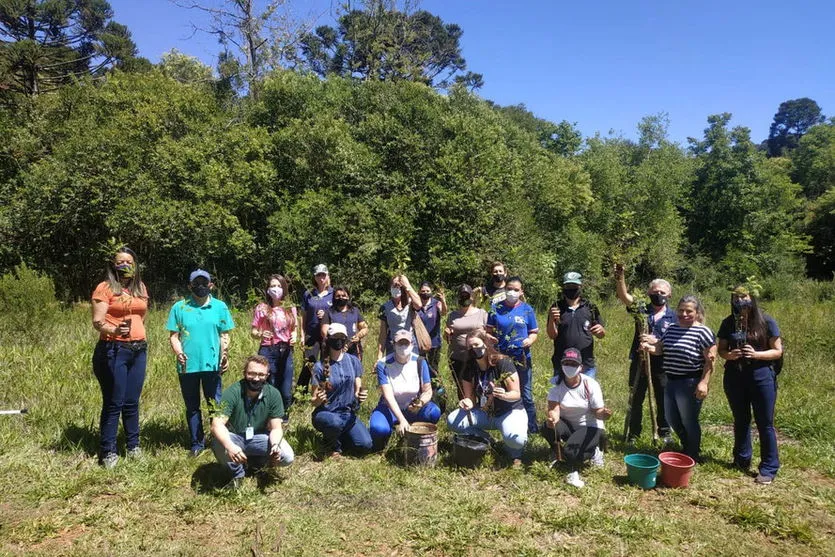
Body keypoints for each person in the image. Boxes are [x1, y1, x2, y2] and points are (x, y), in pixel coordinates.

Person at [90, 247, 149, 469]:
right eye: (120, 261)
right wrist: (114, 331)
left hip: (138, 349)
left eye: (129, 261)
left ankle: (133, 446)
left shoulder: (140, 288)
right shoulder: (104, 288)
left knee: (132, 401)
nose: (125, 265)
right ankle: (108, 451)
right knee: (114, 401)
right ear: (113, 265)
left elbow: (142, 316)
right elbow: (98, 321)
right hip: (113, 349)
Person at [718, 286, 783, 485]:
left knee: (765, 423)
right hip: (735, 377)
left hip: (761, 376)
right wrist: (730, 355)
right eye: (736, 297)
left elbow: (777, 351)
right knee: (740, 419)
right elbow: (721, 349)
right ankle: (741, 459)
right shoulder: (729, 323)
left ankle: (769, 467)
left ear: (752, 298)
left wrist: (757, 355)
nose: (740, 300)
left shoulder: (765, 321)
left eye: (743, 296)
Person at [166, 269, 235, 457]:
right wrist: (179, 352)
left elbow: (224, 334)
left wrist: (224, 354)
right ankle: (197, 443)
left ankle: (218, 441)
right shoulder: (179, 308)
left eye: (204, 283)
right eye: (196, 283)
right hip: (187, 366)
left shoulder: (220, 307)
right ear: (190, 286)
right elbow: (174, 336)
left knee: (215, 404)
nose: (201, 287)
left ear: (211, 285)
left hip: (212, 365)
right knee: (192, 406)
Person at [641, 295, 716, 461]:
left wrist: (704, 383)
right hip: (671, 381)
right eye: (681, 310)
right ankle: (686, 446)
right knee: (671, 418)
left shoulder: (703, 332)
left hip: (690, 382)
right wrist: (649, 348)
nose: (684, 314)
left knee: (688, 419)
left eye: (689, 311)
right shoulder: (672, 328)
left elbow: (710, 360)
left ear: (697, 313)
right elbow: (661, 349)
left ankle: (692, 453)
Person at [211, 355, 294, 490]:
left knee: (287, 456)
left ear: (267, 376)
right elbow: (216, 425)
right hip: (235, 436)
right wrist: (230, 446)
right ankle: (237, 474)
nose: (256, 378)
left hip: (259, 437)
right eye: (252, 373)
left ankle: (257, 464)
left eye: (261, 374)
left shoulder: (273, 394)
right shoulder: (233, 392)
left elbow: (276, 428)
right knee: (218, 443)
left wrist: (275, 445)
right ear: (244, 373)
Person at [614, 264, 675, 444]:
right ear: (649, 293)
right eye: (655, 292)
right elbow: (625, 297)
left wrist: (658, 343)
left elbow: (678, 339)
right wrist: (620, 278)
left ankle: (664, 432)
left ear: (669, 295)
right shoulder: (641, 309)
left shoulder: (674, 316)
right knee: (636, 398)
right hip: (640, 361)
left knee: (663, 398)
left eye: (663, 292)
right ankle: (634, 433)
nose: (659, 295)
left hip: (663, 363)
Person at [447, 330, 527, 466]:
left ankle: (514, 452)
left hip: (508, 410)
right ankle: (487, 440)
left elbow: (516, 393)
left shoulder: (502, 362)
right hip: (485, 411)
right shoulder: (469, 367)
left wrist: (505, 395)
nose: (474, 349)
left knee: (516, 439)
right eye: (470, 347)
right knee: (453, 421)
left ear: (485, 343)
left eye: (477, 345)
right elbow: (470, 399)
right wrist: (467, 402)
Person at [543, 348, 613, 488]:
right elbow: (554, 409)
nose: (569, 366)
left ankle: (594, 451)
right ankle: (557, 451)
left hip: (589, 426)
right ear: (561, 365)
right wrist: (553, 418)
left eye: (573, 364)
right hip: (569, 425)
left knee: (572, 453)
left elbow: (597, 412)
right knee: (546, 427)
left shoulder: (590, 384)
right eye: (566, 363)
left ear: (580, 367)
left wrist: (604, 414)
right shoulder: (556, 385)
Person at [370, 330, 442, 450]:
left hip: (413, 409)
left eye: (406, 343)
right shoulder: (383, 364)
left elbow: (427, 390)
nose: (403, 347)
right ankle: (387, 437)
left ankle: (414, 432)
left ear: (412, 345)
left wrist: (420, 403)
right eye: (400, 343)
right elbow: (388, 396)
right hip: (390, 408)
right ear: (393, 344)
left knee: (434, 412)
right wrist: (402, 420)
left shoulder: (420, 362)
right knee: (378, 429)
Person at [486, 276, 539, 433]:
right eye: (509, 288)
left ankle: (532, 427)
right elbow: (488, 331)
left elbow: (534, 332)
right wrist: (490, 339)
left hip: (522, 357)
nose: (512, 292)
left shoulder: (527, 309)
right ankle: (505, 424)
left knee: (526, 393)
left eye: (516, 290)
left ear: (521, 292)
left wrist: (530, 340)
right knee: (505, 392)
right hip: (502, 359)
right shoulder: (495, 308)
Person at [310, 324, 372, 457]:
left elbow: (357, 389)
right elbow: (313, 401)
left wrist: (360, 396)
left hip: (348, 413)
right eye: (335, 337)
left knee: (365, 445)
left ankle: (339, 436)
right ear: (328, 340)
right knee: (334, 423)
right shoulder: (319, 367)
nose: (338, 340)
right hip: (326, 413)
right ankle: (332, 446)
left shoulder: (354, 361)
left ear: (346, 339)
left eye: (342, 337)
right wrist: (318, 400)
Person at [250, 274, 298, 422]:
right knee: (270, 385)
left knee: (286, 388)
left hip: (286, 350)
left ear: (284, 288)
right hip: (268, 349)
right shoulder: (262, 308)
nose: (275, 289)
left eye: (278, 286)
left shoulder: (290, 308)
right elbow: (253, 331)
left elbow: (295, 328)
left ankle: (284, 418)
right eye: (272, 286)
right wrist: (260, 333)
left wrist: (295, 336)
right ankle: (269, 417)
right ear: (267, 289)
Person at [547, 272, 605, 379]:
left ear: (580, 287)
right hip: (562, 364)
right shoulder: (556, 307)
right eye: (568, 286)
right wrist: (551, 318)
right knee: (562, 395)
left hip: (586, 364)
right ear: (563, 288)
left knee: (586, 394)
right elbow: (552, 335)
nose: (571, 289)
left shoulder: (590, 307)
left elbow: (601, 334)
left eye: (574, 286)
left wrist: (601, 331)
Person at [444, 284, 488, 399]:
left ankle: (482, 410)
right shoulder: (452, 315)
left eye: (467, 295)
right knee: (462, 388)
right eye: (462, 296)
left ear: (472, 297)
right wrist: (446, 333)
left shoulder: (482, 313)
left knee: (480, 385)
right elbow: (448, 336)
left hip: (477, 356)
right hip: (457, 357)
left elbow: (488, 333)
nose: (464, 298)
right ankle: (466, 412)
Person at [299, 264, 333, 390]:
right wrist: (302, 335)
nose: (321, 278)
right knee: (309, 364)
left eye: (323, 274)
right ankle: (300, 394)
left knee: (326, 364)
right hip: (311, 335)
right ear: (315, 277)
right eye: (319, 275)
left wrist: (326, 315)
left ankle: (323, 391)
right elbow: (303, 316)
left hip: (327, 335)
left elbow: (338, 313)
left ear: (328, 276)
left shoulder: (333, 294)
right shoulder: (308, 294)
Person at [376, 273, 422, 360]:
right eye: (394, 285)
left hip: (410, 343)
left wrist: (407, 285)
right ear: (390, 287)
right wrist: (380, 355)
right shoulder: (385, 307)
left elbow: (419, 305)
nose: (397, 288)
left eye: (399, 286)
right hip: (393, 344)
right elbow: (383, 334)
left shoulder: (410, 303)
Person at [320, 285, 368, 360]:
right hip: (334, 349)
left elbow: (364, 328)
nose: (341, 298)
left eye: (343, 295)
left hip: (353, 349)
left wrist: (358, 336)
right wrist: (338, 343)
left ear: (348, 297)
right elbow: (324, 332)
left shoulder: (355, 311)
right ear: (334, 297)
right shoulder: (329, 312)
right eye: (338, 296)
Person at [416, 281, 447, 374]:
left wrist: (443, 301)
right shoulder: (416, 305)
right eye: (423, 291)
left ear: (431, 291)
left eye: (427, 290)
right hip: (419, 342)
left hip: (434, 342)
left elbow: (444, 313)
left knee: (433, 369)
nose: (425, 293)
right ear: (419, 292)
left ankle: (435, 387)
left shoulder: (436, 303)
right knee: (420, 368)